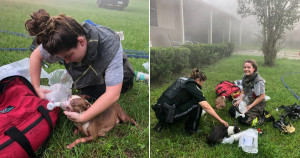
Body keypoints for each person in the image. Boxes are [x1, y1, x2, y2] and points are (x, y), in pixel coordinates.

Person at [25, 9, 135, 123]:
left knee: (110, 90)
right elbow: (35, 56)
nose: (66, 62)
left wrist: (83, 117)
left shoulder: (110, 44)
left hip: (120, 73)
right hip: (89, 72)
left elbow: (112, 94)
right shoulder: (60, 39)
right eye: (63, 58)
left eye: (68, 56)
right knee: (91, 93)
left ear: (81, 41)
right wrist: (36, 87)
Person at [152, 69, 229, 135]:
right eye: (202, 83)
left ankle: (163, 121)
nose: (202, 85)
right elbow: (206, 106)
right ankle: (191, 130)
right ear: (198, 80)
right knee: (197, 104)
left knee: (188, 101)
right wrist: (220, 120)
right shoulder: (192, 85)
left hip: (159, 110)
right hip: (167, 116)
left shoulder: (182, 79)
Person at [229, 59, 266, 126]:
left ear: (254, 68)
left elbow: (262, 96)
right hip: (248, 99)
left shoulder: (258, 81)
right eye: (245, 67)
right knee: (231, 110)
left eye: (249, 67)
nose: (246, 69)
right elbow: (243, 88)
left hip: (257, 103)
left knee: (243, 120)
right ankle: (244, 112)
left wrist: (250, 106)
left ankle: (260, 117)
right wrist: (240, 100)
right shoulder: (245, 76)